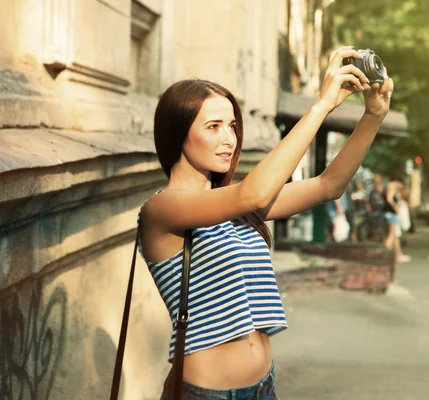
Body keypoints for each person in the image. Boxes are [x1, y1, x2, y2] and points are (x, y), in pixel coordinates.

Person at [137, 46, 394, 399]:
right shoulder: (162, 209)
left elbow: (328, 185)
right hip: (209, 394)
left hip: (263, 385)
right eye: (213, 127)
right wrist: (320, 106)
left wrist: (373, 117)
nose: (229, 139)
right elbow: (254, 194)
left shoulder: (236, 207)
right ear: (177, 134)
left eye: (232, 126)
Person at [383, 180, 411, 264]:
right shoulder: (392, 187)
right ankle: (385, 255)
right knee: (392, 236)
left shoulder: (389, 187)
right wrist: (396, 207)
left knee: (395, 236)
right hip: (392, 214)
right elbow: (389, 199)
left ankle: (397, 255)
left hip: (389, 214)